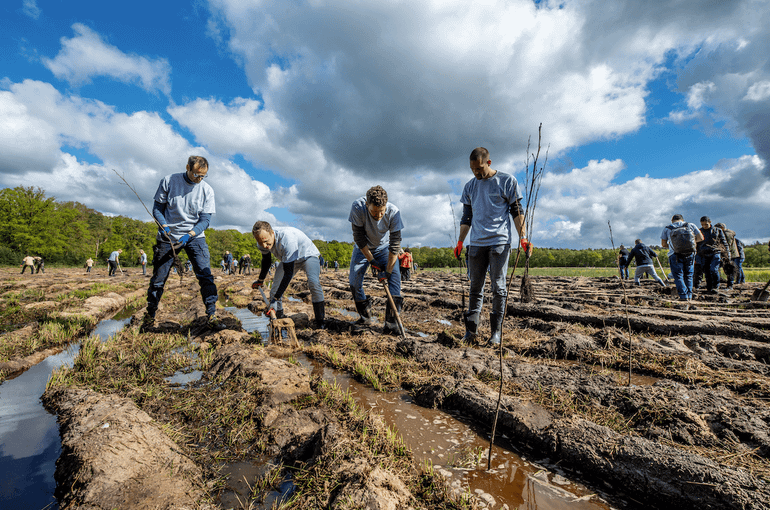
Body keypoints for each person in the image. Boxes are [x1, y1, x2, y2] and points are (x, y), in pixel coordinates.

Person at [454, 147, 530, 345]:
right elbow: (466, 217)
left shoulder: (507, 181)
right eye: (473, 170)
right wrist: (461, 241)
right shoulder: (470, 187)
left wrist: (523, 237)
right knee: (475, 288)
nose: (476, 173)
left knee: (498, 287)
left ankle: (496, 334)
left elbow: (516, 210)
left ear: (488, 163)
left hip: (499, 243)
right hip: (476, 244)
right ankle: (471, 333)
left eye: (479, 169)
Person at [141, 155, 221, 332]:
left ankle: (212, 314)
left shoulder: (207, 190)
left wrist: (190, 234)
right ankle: (150, 315)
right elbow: (157, 209)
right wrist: (164, 226)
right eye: (196, 175)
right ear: (188, 168)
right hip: (168, 237)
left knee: (205, 276)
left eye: (203, 176)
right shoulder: (169, 181)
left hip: (195, 237)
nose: (199, 179)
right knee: (158, 280)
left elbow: (205, 220)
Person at [348, 185, 404, 334]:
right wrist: (372, 261)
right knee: (354, 281)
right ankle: (365, 316)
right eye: (374, 212)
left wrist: (388, 272)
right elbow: (359, 238)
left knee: (394, 282)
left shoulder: (393, 212)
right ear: (367, 205)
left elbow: (395, 245)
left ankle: (391, 325)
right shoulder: (357, 207)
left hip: (385, 249)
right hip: (363, 248)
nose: (378, 216)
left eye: (381, 212)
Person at [251, 221, 326, 328]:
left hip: (308, 255)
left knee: (313, 282)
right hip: (289, 260)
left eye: (266, 242)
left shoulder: (286, 239)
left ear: (272, 233)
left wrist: (275, 299)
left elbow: (288, 274)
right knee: (274, 289)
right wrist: (260, 280)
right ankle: (279, 319)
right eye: (260, 242)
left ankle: (320, 321)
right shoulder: (261, 243)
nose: (264, 246)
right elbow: (266, 261)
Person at [661, 214, 704, 301]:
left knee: (678, 276)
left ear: (672, 221)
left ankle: (683, 296)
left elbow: (663, 244)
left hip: (675, 254)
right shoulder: (690, 225)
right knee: (689, 275)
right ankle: (690, 295)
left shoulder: (667, 228)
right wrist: (691, 243)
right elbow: (701, 238)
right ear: (683, 219)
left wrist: (674, 246)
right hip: (690, 253)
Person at [696, 216, 728, 294]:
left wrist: (727, 254)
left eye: (706, 224)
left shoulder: (718, 230)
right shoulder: (699, 231)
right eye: (702, 224)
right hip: (703, 253)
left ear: (710, 222)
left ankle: (716, 286)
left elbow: (724, 243)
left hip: (715, 252)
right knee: (706, 271)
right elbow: (696, 244)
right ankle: (709, 287)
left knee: (714, 269)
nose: (704, 226)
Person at [714, 223, 739, 289]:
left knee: (730, 270)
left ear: (721, 227)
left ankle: (730, 285)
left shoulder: (727, 234)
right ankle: (729, 284)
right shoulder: (728, 233)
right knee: (728, 270)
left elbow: (727, 245)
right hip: (729, 254)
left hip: (730, 254)